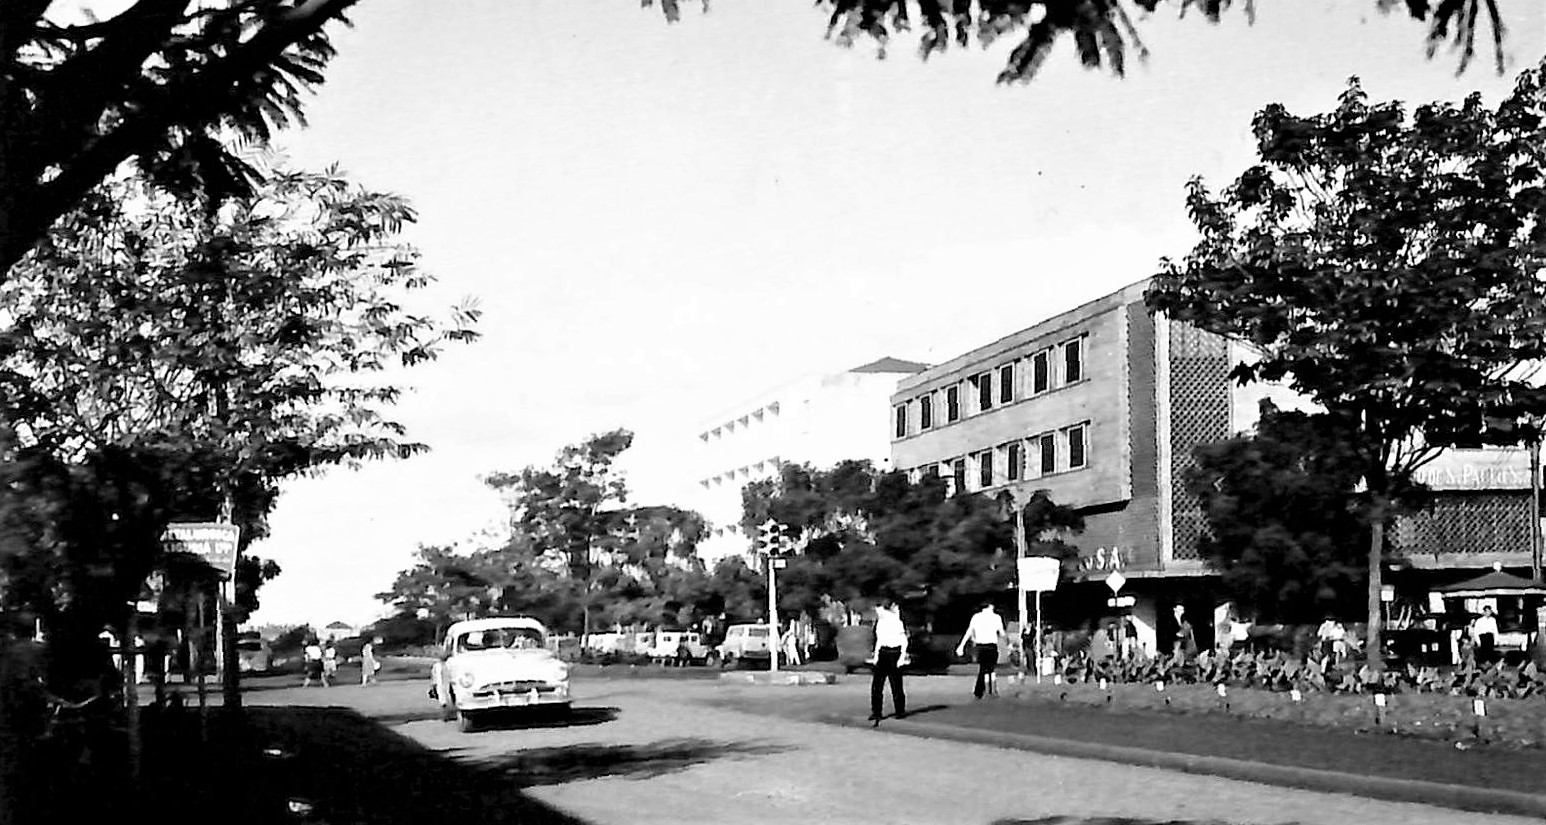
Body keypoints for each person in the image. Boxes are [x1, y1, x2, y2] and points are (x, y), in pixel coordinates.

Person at [868, 599, 908, 725]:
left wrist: (901, 657)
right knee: (876, 685)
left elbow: (904, 640)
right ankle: (876, 712)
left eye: (878, 610)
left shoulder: (896, 621)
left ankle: (900, 711)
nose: (876, 612)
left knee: (896, 685)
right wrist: (876, 656)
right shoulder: (880, 622)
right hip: (883, 653)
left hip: (894, 652)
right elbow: (879, 640)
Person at [956, 602, 1007, 699]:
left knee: (984, 668)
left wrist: (961, 645)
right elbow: (1002, 632)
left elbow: (969, 631)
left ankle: (985, 691)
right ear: (990, 606)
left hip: (980, 646)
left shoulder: (976, 617)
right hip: (991, 646)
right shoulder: (996, 617)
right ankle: (989, 690)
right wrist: (1008, 642)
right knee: (989, 668)